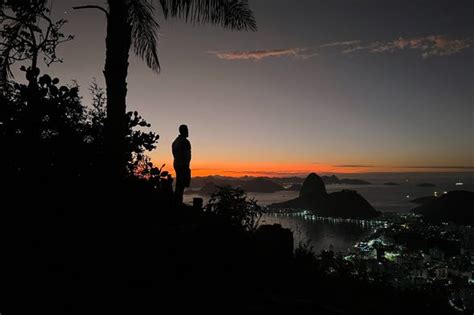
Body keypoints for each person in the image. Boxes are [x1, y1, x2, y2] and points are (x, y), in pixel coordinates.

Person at [172, 124, 191, 204]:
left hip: (177, 164)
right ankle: (178, 202)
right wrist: (187, 167)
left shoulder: (175, 141)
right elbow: (187, 155)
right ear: (183, 131)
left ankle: (177, 201)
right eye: (186, 130)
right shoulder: (185, 142)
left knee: (179, 184)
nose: (188, 132)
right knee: (181, 184)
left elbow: (174, 154)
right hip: (183, 165)